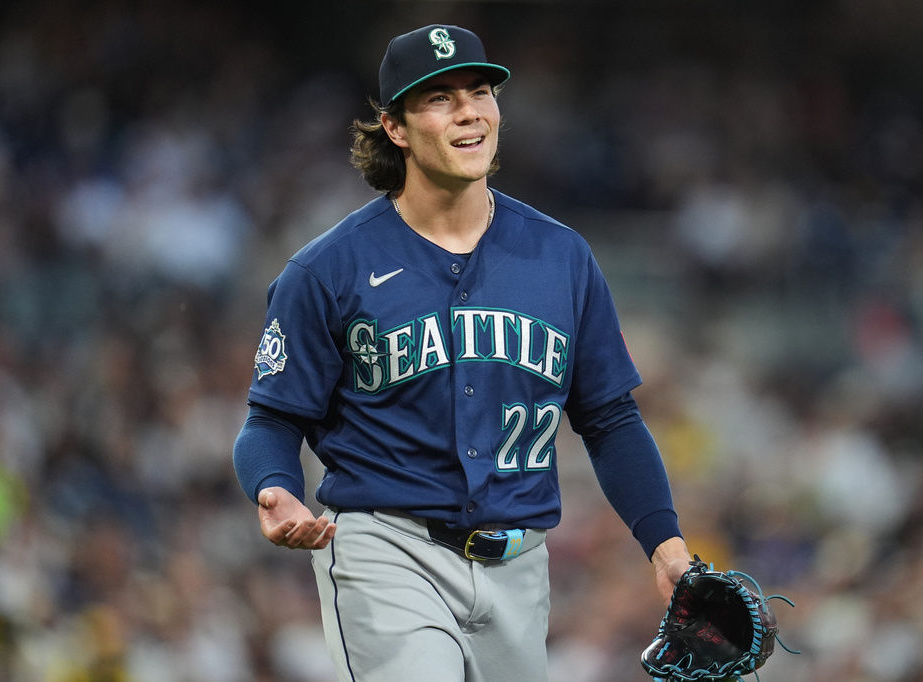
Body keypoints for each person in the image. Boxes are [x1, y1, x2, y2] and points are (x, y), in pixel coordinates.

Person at [232, 23, 692, 681]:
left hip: (521, 565)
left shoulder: (560, 256)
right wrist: (274, 486)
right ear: (396, 127)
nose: (469, 110)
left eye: (479, 90)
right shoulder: (328, 269)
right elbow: (272, 421)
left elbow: (611, 419)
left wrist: (666, 547)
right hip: (387, 550)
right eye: (439, 98)